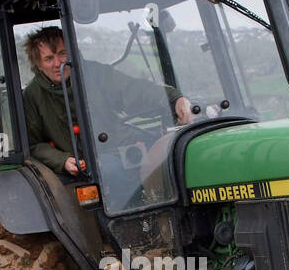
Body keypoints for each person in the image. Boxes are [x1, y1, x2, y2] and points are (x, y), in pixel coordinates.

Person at [22, 25, 193, 176]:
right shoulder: (32, 95)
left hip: (116, 149)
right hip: (80, 165)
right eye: (48, 58)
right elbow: (34, 144)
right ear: (38, 64)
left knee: (173, 158)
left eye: (62, 54)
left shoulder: (95, 74)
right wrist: (62, 160)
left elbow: (133, 91)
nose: (57, 63)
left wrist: (174, 99)